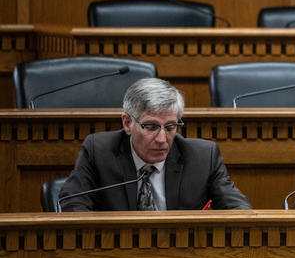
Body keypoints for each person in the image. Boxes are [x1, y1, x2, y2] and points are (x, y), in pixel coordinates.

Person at [59, 78, 251, 211]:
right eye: (151, 127)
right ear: (127, 123)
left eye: (170, 127)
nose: (162, 139)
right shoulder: (99, 151)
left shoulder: (203, 157)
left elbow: (238, 208)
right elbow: (73, 203)